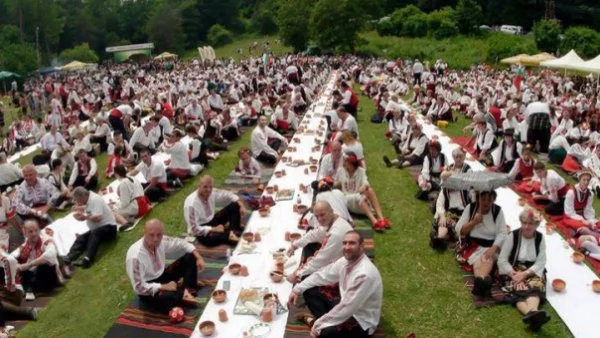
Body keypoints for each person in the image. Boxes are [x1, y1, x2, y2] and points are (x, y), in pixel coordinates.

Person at [289, 231, 382, 338]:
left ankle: (315, 321)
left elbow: (347, 307)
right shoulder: (345, 261)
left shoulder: (364, 274)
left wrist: (318, 326)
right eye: (345, 243)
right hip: (344, 305)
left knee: (325, 333)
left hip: (361, 321)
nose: (347, 247)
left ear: (361, 246)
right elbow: (322, 275)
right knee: (308, 288)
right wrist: (297, 289)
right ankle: (326, 320)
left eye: (352, 243)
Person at [126, 219, 205, 314]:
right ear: (145, 233)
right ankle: (182, 294)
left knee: (189, 257)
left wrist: (199, 257)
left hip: (162, 275)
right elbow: (139, 287)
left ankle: (187, 290)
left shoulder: (162, 240)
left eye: (159, 235)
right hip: (149, 286)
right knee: (168, 298)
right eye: (151, 235)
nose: (156, 239)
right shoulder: (135, 256)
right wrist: (163, 286)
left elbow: (182, 243)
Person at [498, 209, 550, 332]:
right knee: (518, 288)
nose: (526, 226)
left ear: (536, 225)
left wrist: (525, 274)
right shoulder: (513, 236)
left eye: (530, 223)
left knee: (535, 287)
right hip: (513, 269)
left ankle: (532, 315)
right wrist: (514, 275)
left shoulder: (540, 238)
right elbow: (502, 259)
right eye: (524, 223)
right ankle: (534, 315)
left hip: (531, 270)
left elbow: (541, 261)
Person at [286, 201, 353, 284]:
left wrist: (296, 274)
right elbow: (314, 234)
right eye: (317, 216)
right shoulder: (333, 219)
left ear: (331, 211)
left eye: (322, 215)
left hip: (345, 272)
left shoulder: (336, 233)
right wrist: (295, 245)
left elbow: (320, 260)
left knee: (308, 287)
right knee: (309, 245)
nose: (320, 219)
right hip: (336, 258)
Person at [456, 190, 507, 297]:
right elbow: (460, 230)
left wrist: (494, 248)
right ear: (478, 198)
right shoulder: (470, 208)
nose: (486, 202)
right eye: (483, 199)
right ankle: (483, 282)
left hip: (490, 246)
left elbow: (502, 233)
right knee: (478, 261)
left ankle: (480, 283)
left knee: (486, 259)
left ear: (494, 200)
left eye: (489, 200)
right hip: (473, 246)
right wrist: (473, 222)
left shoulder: (497, 211)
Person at [183, 175, 247, 246]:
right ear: (199, 186)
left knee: (233, 205)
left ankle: (234, 230)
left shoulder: (212, 192)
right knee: (219, 237)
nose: (208, 190)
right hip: (202, 229)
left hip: (213, 220)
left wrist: (241, 205)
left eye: (210, 187)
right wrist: (213, 229)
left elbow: (228, 194)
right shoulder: (191, 204)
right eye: (205, 187)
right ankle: (230, 236)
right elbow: (194, 230)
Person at [64, 187, 118, 269]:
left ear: (81, 197)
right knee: (83, 237)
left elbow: (98, 218)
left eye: (76, 200)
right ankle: (70, 256)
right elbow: (88, 213)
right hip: (98, 228)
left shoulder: (95, 200)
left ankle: (88, 259)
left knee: (94, 233)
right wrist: (81, 217)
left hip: (110, 228)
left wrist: (84, 217)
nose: (76, 202)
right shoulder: (88, 201)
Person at [430, 148, 472, 250]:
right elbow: (440, 203)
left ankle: (444, 238)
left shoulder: (467, 174)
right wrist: (442, 215)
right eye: (456, 157)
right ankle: (440, 238)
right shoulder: (445, 188)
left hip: (464, 212)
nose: (458, 159)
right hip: (451, 212)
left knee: (461, 227)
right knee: (444, 221)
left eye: (460, 156)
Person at [336, 153, 389, 231]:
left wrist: (363, 186)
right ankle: (374, 220)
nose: (344, 163)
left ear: (350, 163)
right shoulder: (340, 171)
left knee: (369, 190)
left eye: (345, 161)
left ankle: (381, 218)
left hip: (359, 198)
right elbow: (336, 184)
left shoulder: (360, 171)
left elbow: (366, 182)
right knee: (358, 196)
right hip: (347, 198)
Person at [11, 220, 60, 300]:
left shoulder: (46, 240)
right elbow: (11, 256)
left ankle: (29, 289)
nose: (34, 234)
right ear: (25, 233)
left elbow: (50, 255)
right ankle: (28, 289)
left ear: (39, 230)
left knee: (43, 266)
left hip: (48, 277)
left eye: (36, 230)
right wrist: (17, 266)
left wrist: (29, 265)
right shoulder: (24, 246)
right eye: (30, 232)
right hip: (33, 276)